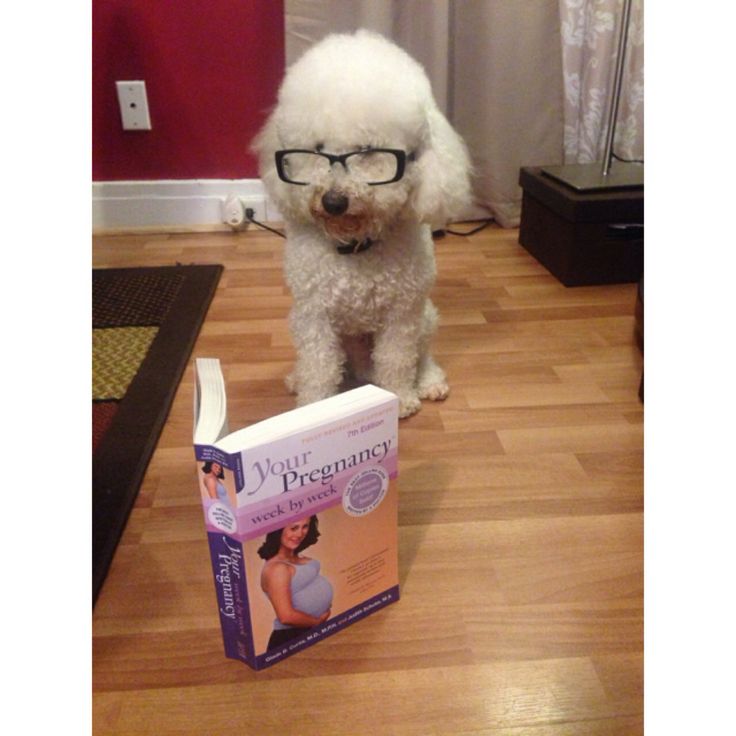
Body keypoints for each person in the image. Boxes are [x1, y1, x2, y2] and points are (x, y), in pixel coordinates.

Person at [258, 516, 333, 650]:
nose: (300, 534)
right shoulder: (276, 569)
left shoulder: (296, 558)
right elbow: (286, 616)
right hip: (290, 637)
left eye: (305, 527)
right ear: (278, 530)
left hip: (310, 632)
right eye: (294, 528)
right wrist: (317, 622)